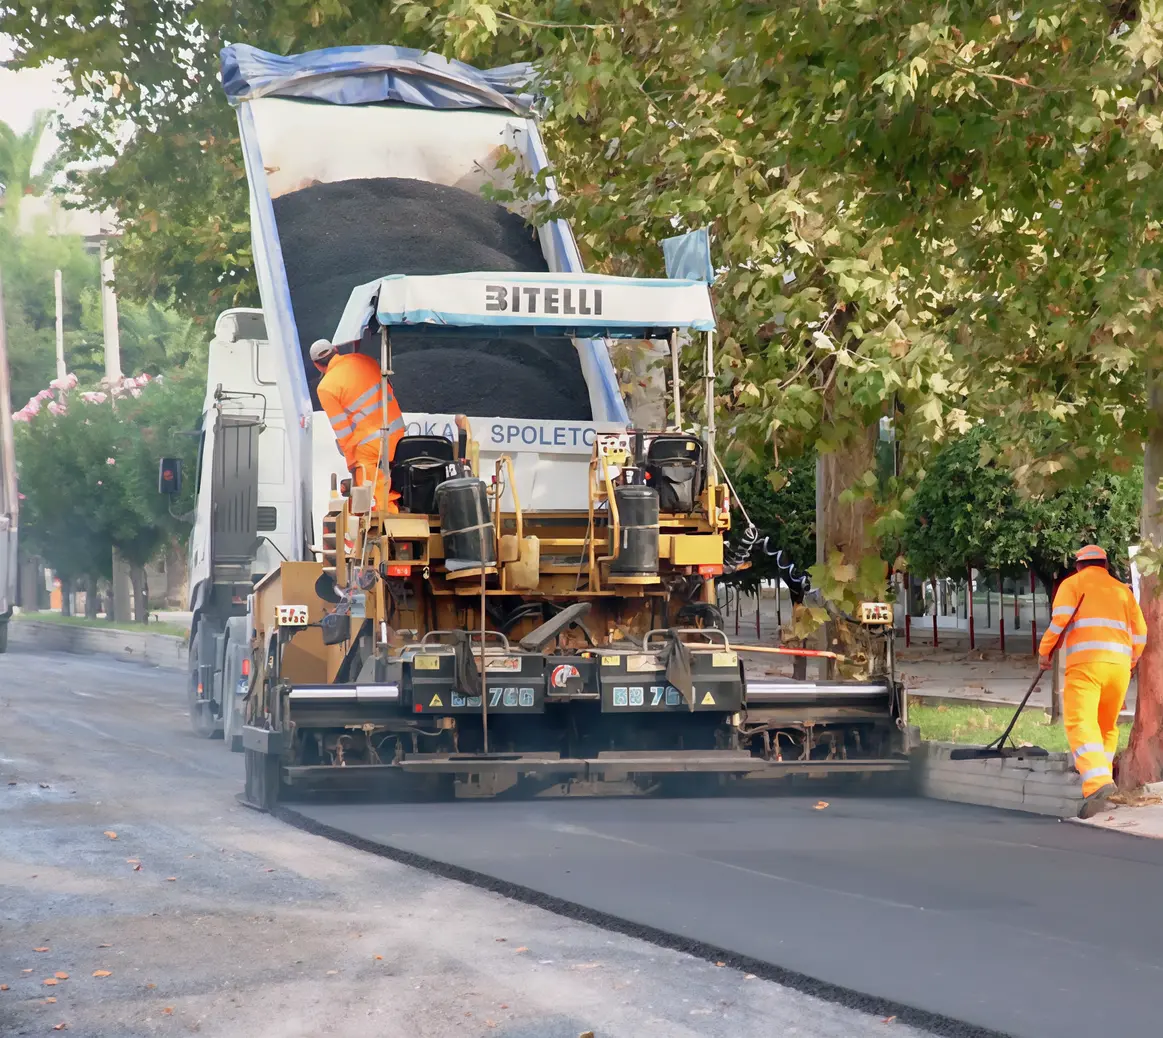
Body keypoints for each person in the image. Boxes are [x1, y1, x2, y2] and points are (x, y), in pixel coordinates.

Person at [1038, 545, 1147, 818]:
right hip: (1119, 669)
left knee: (1080, 722)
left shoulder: (1072, 585)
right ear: (1106, 566)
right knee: (1106, 727)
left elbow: (1059, 622)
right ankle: (1102, 780)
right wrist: (1131, 661)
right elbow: (1141, 632)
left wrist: (1044, 653)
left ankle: (1098, 783)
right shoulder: (1123, 591)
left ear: (1078, 566)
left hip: (1086, 666)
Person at [310, 339, 405, 512]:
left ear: (317, 365)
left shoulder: (326, 387)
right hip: (398, 434)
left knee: (374, 496)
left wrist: (352, 464)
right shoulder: (363, 359)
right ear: (336, 350)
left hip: (371, 446)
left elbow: (343, 431)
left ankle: (385, 528)